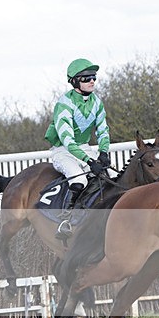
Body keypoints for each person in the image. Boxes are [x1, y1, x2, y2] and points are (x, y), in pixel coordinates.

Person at [45, 58, 112, 239]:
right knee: (80, 180)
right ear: (74, 81)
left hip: (83, 148)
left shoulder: (97, 102)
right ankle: (64, 221)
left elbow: (103, 130)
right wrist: (90, 161)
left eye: (93, 77)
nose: (91, 81)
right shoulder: (64, 104)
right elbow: (67, 140)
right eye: (86, 77)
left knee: (108, 178)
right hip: (63, 150)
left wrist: (104, 152)